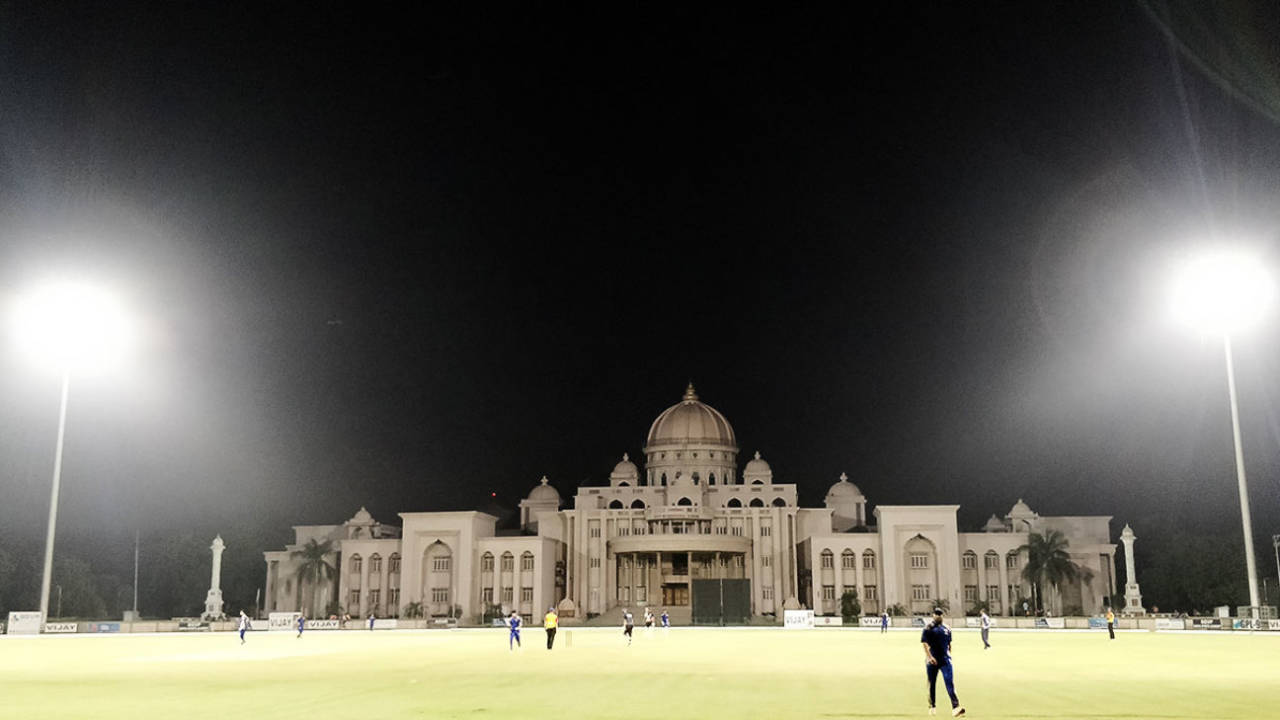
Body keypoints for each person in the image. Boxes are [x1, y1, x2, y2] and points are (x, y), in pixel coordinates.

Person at [921, 608, 964, 717]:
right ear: (933, 615)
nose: (938, 617)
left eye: (940, 615)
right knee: (932, 684)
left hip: (945, 660)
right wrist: (929, 657)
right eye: (936, 615)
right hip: (933, 660)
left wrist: (949, 654)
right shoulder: (928, 628)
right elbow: (925, 644)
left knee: (949, 682)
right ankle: (932, 706)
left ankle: (956, 707)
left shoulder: (947, 628)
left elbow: (949, 644)